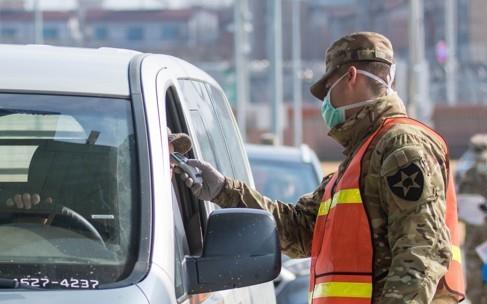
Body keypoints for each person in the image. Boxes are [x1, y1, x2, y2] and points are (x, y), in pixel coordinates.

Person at [177, 32, 465, 303]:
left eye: (328, 89)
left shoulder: (401, 146)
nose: (325, 102)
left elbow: (420, 252)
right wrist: (223, 190)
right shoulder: (361, 155)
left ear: (350, 77)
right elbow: (299, 229)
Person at [4, 127, 192, 209]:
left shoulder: (175, 208)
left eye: (173, 158)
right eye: (161, 158)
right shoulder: (84, 196)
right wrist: (31, 216)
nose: (171, 165)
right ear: (127, 163)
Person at [458, 134, 487, 304]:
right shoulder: (466, 171)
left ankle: (476, 297)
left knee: (473, 261)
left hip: (473, 227)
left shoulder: (466, 171)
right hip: (479, 226)